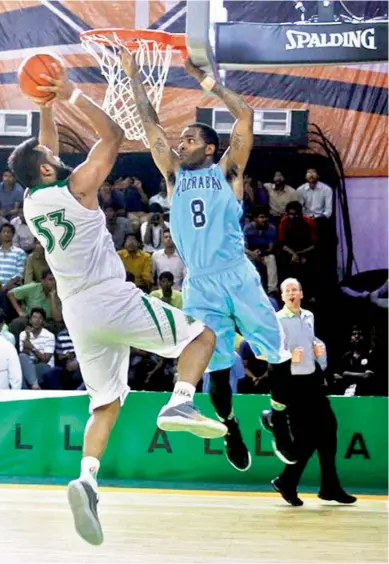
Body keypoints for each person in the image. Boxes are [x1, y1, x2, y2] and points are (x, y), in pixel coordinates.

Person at [9, 60, 226, 546]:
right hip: (109, 296)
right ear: (47, 168)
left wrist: (46, 107)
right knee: (201, 337)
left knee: (105, 403)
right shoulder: (77, 188)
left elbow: (44, 150)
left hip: (78, 313)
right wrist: (70, 94)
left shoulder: (31, 199)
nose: (57, 154)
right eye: (50, 154)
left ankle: (87, 478)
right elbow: (113, 137)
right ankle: (181, 403)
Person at [125, 49, 297, 472]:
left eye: (189, 138)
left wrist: (208, 82)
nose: (180, 142)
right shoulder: (172, 175)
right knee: (216, 368)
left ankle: (278, 414)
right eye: (180, 138)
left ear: (209, 146)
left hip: (236, 274)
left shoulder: (228, 171)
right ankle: (230, 427)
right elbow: (150, 127)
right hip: (198, 282)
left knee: (276, 353)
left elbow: (245, 118)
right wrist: (133, 75)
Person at [261, 278, 356, 506]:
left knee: (327, 432)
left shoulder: (308, 316)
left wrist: (318, 351)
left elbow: (309, 342)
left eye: (295, 289)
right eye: (287, 291)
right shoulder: (277, 321)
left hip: (312, 382)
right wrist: (288, 359)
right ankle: (292, 481)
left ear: (301, 293)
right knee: (307, 439)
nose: (292, 293)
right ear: (282, 296)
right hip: (291, 385)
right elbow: (266, 352)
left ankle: (321, 485)